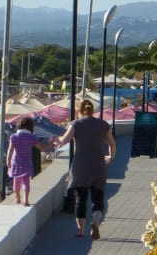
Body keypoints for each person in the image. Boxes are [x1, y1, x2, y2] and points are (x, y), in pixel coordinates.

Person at [48, 101, 116, 239]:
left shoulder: (76, 124)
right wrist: (110, 158)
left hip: (81, 165)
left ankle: (80, 230)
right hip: (98, 164)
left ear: (78, 110)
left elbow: (64, 141)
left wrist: (56, 138)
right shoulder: (103, 125)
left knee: (81, 198)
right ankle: (96, 221)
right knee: (98, 199)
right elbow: (112, 145)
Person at [7, 116, 50, 206]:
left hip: (16, 161)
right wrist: (51, 142)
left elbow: (10, 150)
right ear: (30, 127)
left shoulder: (14, 137)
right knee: (26, 181)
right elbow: (42, 148)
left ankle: (18, 198)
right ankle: (26, 200)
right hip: (27, 162)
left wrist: (8, 160)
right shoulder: (31, 137)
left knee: (16, 181)